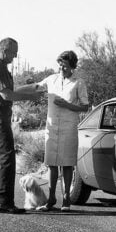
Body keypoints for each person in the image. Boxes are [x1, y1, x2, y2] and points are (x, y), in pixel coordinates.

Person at [0, 37, 45, 214]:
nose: (16, 56)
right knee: (7, 158)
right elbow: (7, 95)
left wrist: (31, 88)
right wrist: (31, 97)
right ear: (5, 50)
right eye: (14, 52)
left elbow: (10, 91)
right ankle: (4, 202)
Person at [35, 50, 89, 212]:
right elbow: (37, 88)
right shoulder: (52, 79)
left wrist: (67, 105)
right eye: (60, 64)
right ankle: (51, 199)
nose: (61, 68)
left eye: (65, 65)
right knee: (51, 164)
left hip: (68, 128)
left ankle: (66, 199)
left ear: (72, 66)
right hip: (51, 128)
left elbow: (85, 107)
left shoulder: (78, 83)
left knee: (66, 165)